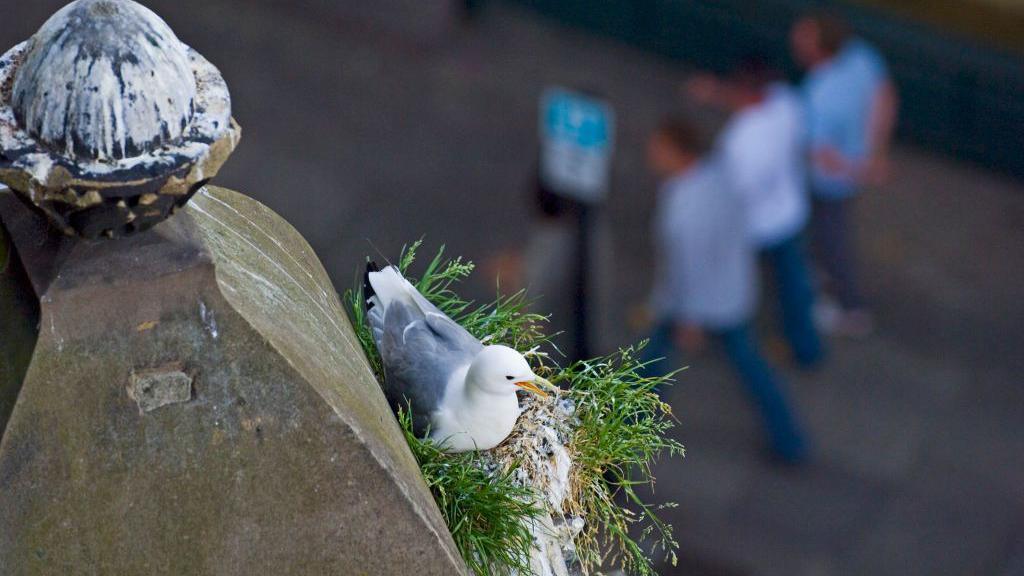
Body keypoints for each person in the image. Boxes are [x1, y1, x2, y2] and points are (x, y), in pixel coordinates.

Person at [643, 116, 809, 464]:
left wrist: (689, 319)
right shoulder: (720, 177)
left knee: (649, 371)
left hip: (691, 306)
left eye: (659, 149)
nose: (651, 155)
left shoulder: (683, 206)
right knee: (751, 367)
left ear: (679, 153)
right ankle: (790, 440)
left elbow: (688, 267)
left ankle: (620, 437)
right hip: (733, 294)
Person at [686, 57, 824, 367]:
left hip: (752, 227)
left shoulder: (739, 143)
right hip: (788, 214)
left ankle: (718, 330)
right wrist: (717, 93)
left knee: (728, 283)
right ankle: (807, 350)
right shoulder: (788, 103)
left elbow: (727, 195)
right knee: (794, 288)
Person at [790, 13, 898, 337]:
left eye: (803, 38)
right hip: (849, 175)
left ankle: (850, 308)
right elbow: (886, 96)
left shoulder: (818, 95)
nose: (795, 41)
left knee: (831, 241)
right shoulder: (861, 55)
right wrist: (875, 156)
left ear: (819, 49)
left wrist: (864, 167)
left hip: (829, 183)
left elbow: (822, 155)